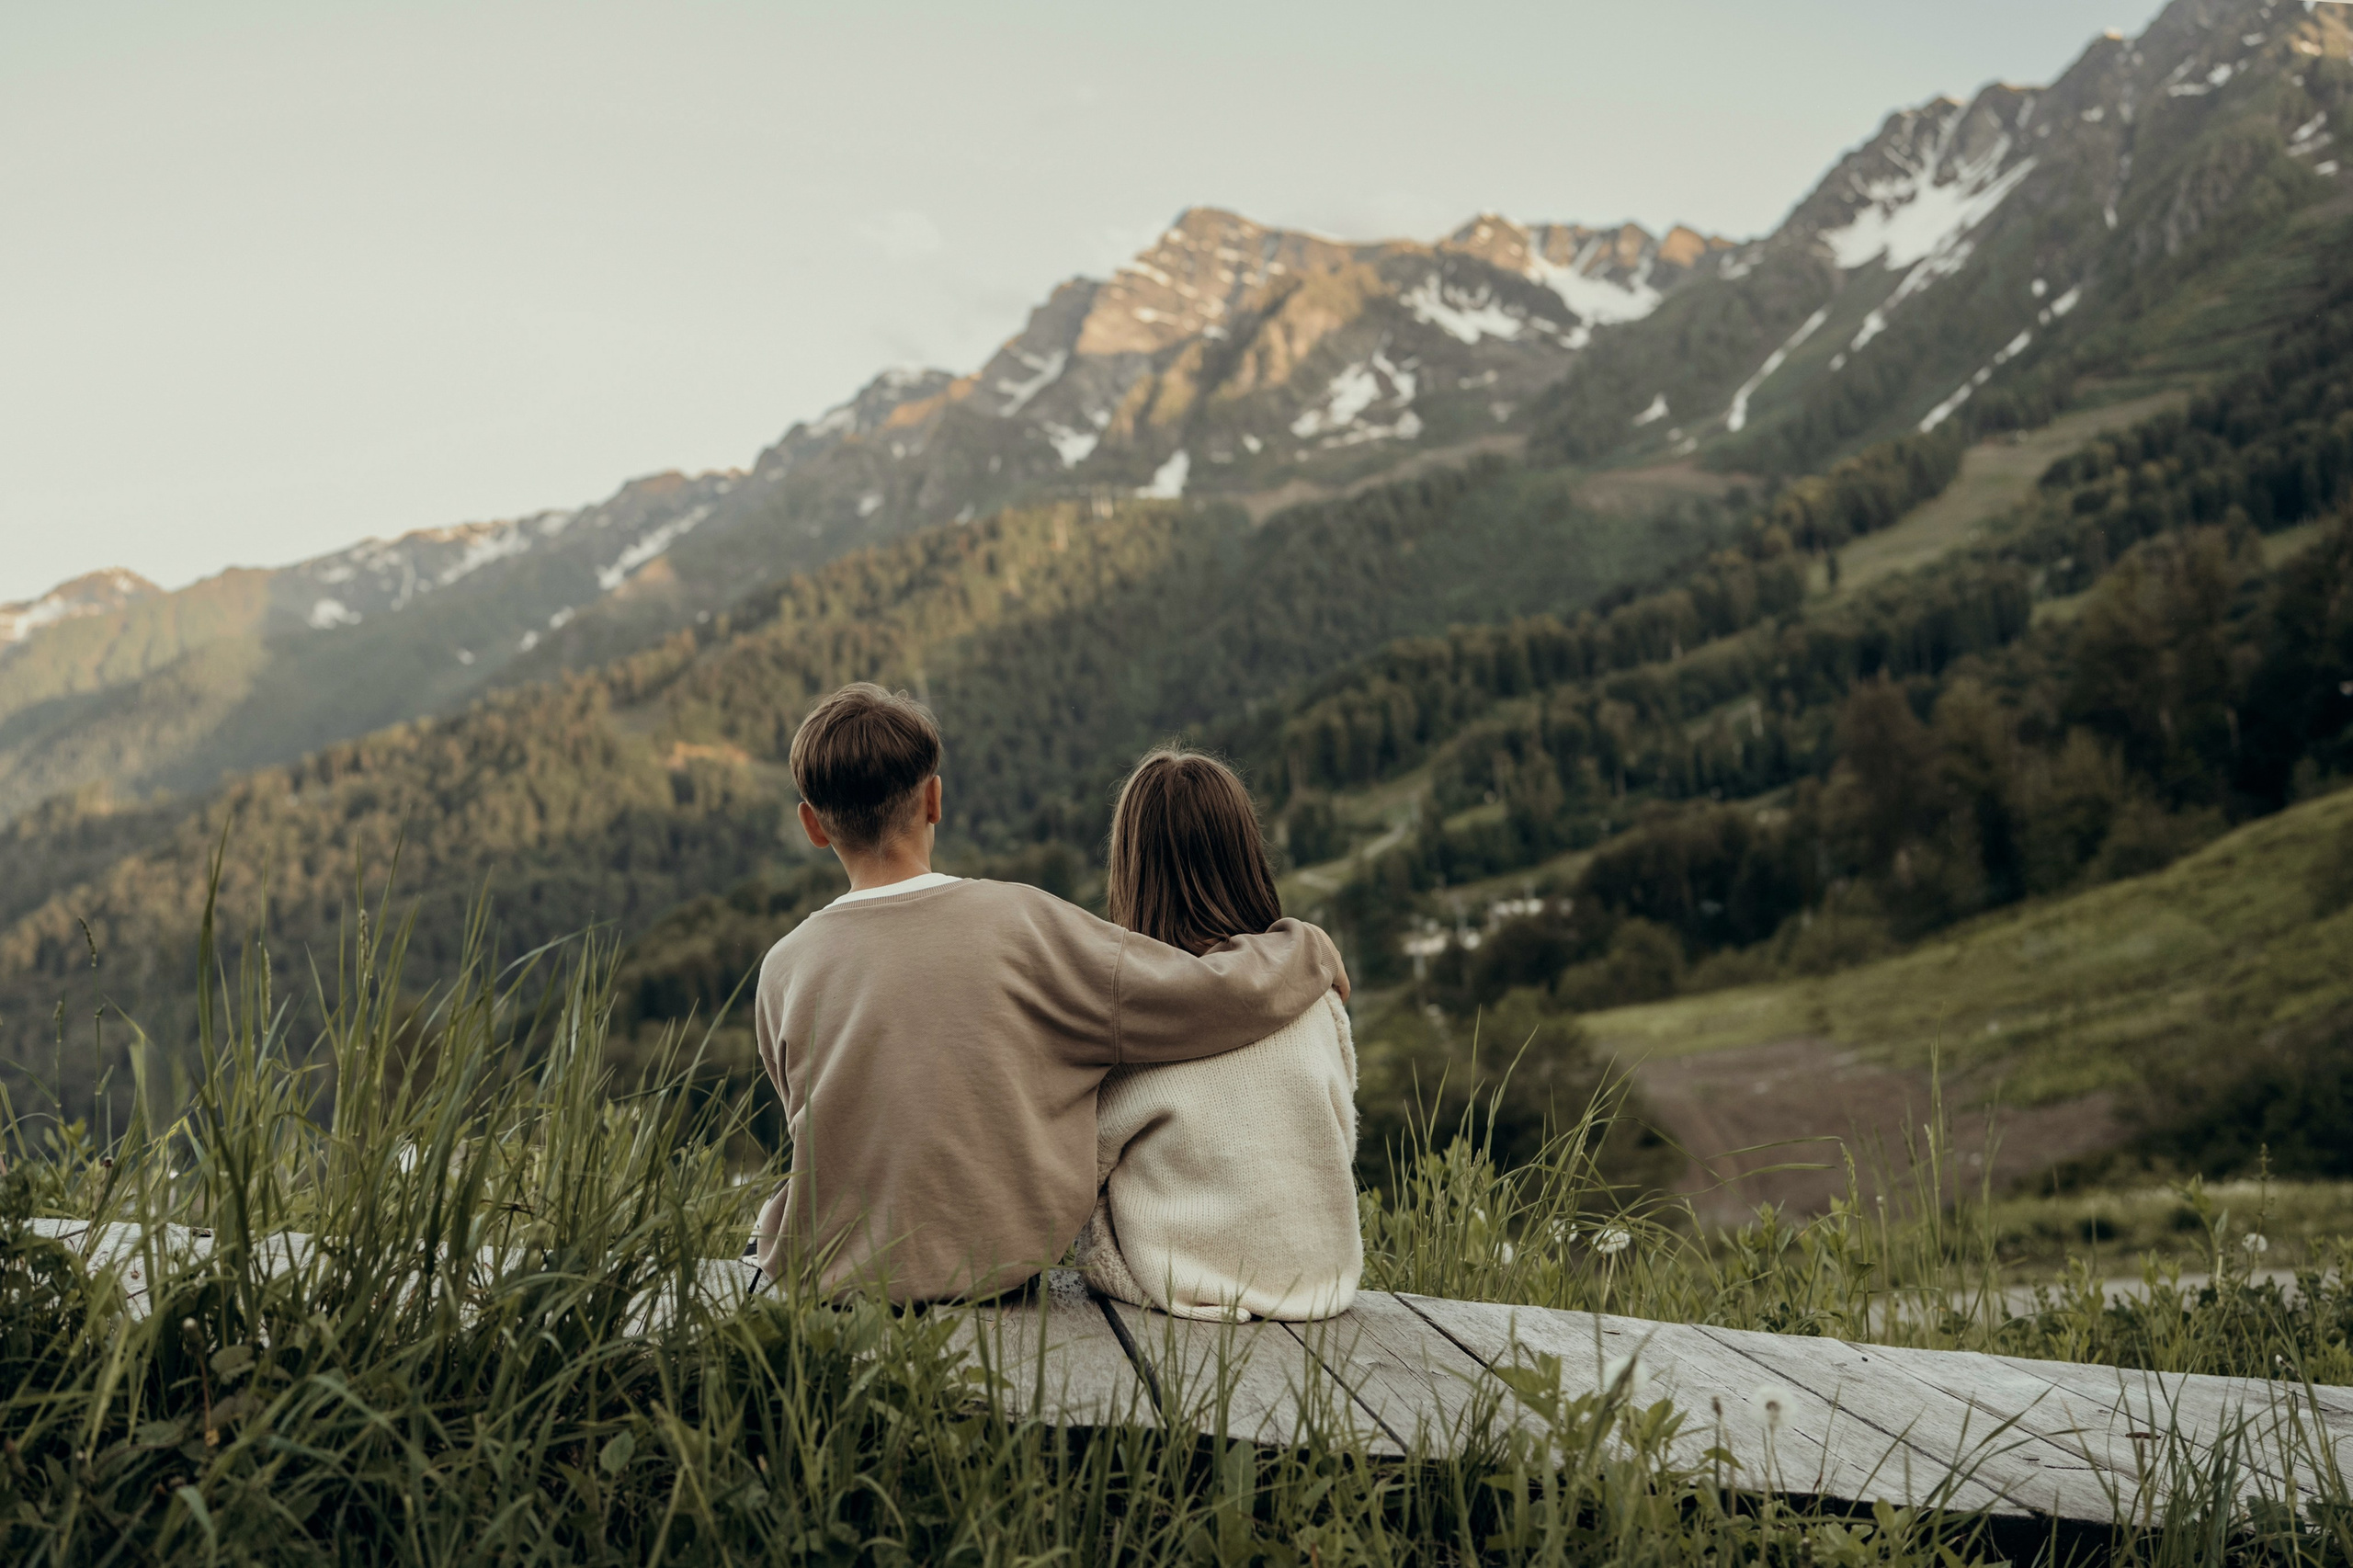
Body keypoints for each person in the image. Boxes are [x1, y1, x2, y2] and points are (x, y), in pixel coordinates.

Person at [751, 684, 1348, 1303]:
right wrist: (1308, 949)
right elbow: (1213, 996)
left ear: (813, 825)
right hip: (993, 1267)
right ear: (934, 798)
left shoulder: (784, 967)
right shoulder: (1025, 923)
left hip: (827, 1275)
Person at [1076, 750, 1362, 1322]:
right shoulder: (1316, 994)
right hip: (1321, 1282)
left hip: (1180, 1283)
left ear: (1132, 868)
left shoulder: (1127, 1021)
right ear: (1246, 855)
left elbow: (1080, 1171)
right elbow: (1338, 1130)